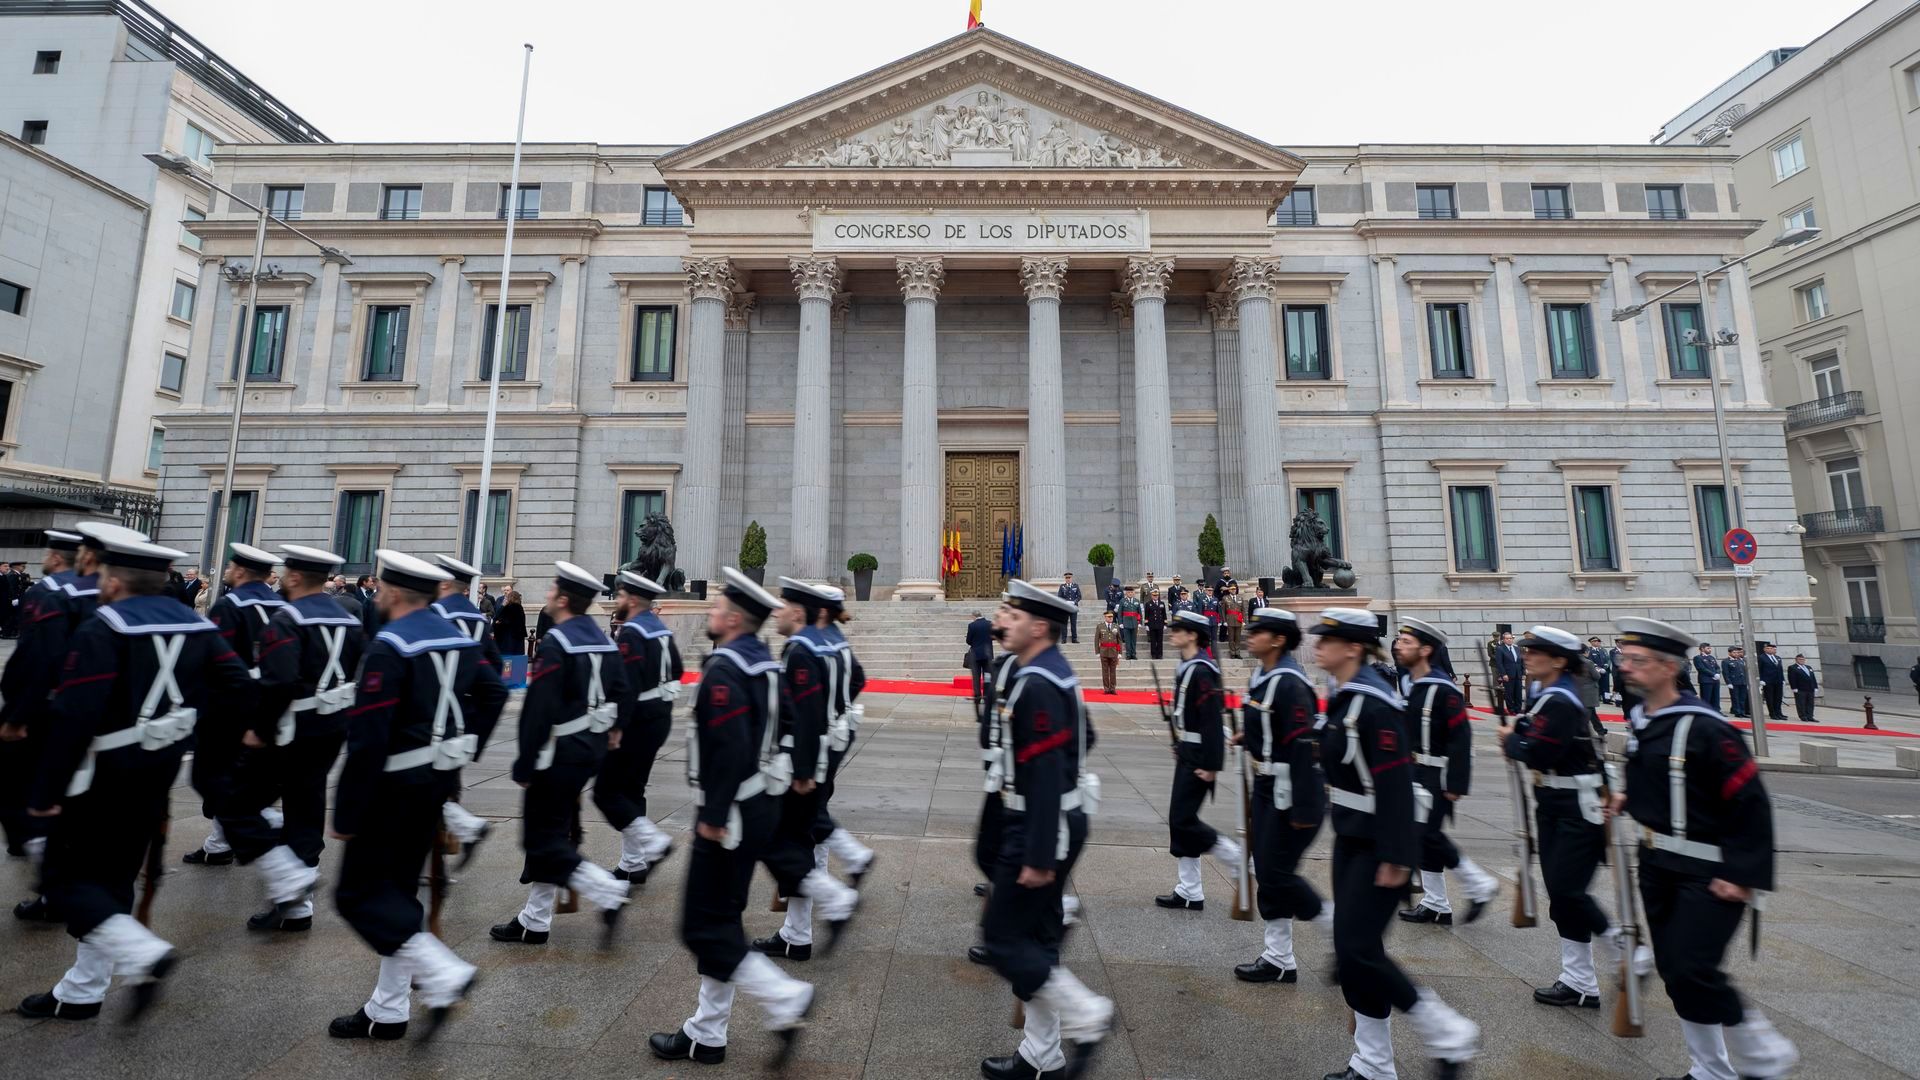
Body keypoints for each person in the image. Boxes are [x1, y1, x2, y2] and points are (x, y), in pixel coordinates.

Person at [17, 524, 256, 1022]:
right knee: (117, 874)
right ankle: (83, 988)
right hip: (160, 765)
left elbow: (75, 716)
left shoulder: (103, 625)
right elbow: (237, 686)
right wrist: (194, 733)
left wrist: (44, 793)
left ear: (112, 580)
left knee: (63, 878)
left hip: (102, 771)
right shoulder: (197, 625)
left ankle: (140, 952)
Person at [328, 549, 507, 1041]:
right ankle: (388, 1009)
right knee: (398, 894)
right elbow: (493, 694)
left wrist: (346, 811)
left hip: (391, 789)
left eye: (382, 588)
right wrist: (463, 745)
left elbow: (367, 740)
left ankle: (442, 973)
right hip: (434, 784)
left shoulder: (389, 645)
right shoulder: (456, 638)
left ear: (391, 593)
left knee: (356, 895)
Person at [1610, 616, 1798, 1080]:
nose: (1626, 668)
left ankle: (1762, 1051)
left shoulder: (1708, 729)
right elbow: (1670, 782)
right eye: (1624, 659)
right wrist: (1629, 797)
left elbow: (1749, 802)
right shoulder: (1645, 721)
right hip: (1658, 863)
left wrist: (1741, 873)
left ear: (1669, 667)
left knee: (1695, 969)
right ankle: (1710, 1069)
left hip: (1708, 871)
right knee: (1677, 975)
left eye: (1638, 661)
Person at [649, 568, 814, 1069]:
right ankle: (707, 1032)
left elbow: (728, 746)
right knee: (721, 919)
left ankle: (784, 998)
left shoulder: (726, 669)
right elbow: (791, 726)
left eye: (718, 606)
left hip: (731, 813)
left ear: (735, 619)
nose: (712, 612)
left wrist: (716, 814)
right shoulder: (763, 663)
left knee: (703, 928)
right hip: (759, 804)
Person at [1314, 608, 1479, 1080]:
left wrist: (1397, 856)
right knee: (1352, 955)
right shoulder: (1349, 696)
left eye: (1329, 640)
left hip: (1378, 845)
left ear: (1352, 648)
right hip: (1351, 838)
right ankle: (1373, 1065)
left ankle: (1446, 1030)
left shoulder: (1373, 702)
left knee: (1361, 951)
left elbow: (1393, 785)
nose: (1319, 647)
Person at [978, 580, 1112, 1080]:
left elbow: (1043, 771)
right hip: (1055, 817)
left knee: (1002, 938)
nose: (1001, 621)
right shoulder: (1054, 674)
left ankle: (1088, 1016)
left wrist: (1036, 854)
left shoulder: (1037, 683)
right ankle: (1042, 1054)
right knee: (1034, 939)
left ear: (1038, 626)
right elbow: (1087, 736)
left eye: (1011, 614)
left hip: (1040, 824)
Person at [490, 562, 631, 947]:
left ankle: (606, 890)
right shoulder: (602, 638)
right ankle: (535, 919)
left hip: (558, 753)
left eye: (553, 589)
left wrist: (525, 760)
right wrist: (614, 732)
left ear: (564, 599)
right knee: (552, 833)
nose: (549, 593)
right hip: (590, 750)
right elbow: (623, 691)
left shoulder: (559, 642)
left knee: (541, 841)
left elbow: (539, 708)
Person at [1498, 626, 1630, 1012]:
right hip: (1555, 802)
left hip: (1576, 806)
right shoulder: (1546, 695)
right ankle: (1579, 981)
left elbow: (1540, 753)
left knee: (1571, 891)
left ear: (1558, 660)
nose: (1526, 655)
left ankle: (1624, 950)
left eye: (1535, 651)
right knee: (1561, 896)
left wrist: (1511, 741)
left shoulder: (1561, 700)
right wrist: (1520, 731)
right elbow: (1536, 732)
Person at [243, 544, 366, 933]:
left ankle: (289, 882)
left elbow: (278, 680)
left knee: (240, 802)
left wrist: (260, 729)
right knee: (306, 804)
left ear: (294, 577)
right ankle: (299, 907)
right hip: (331, 726)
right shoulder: (348, 618)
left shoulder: (287, 619)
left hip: (292, 728)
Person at [751, 578, 862, 962]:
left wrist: (801, 772)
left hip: (805, 762)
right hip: (824, 753)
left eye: (782, 605)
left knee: (779, 840)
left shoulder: (800, 650)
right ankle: (796, 934)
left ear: (798, 612)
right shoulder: (832, 644)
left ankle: (834, 900)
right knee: (807, 839)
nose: (777, 611)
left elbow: (805, 713)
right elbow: (857, 681)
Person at [1231, 608, 1325, 983]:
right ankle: (1279, 957)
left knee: (1277, 872)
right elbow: (1272, 728)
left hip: (1290, 791)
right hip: (1268, 786)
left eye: (1259, 631)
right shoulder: (1265, 677)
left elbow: (1303, 744)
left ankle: (1334, 926)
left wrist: (1302, 806)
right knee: (1267, 871)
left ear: (1279, 640)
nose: (1250, 636)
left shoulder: (1289, 683)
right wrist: (1247, 738)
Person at [186, 543, 286, 872]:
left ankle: (263, 827)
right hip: (271, 700)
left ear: (241, 572)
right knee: (238, 777)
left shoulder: (230, 605)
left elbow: (215, 660)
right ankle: (218, 844)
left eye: (229, 567)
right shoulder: (282, 603)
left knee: (214, 777)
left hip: (232, 705)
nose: (226, 571)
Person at [1392, 618, 1497, 928]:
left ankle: (1479, 884)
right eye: (1399, 640)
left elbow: (1461, 738)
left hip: (1437, 775)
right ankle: (1436, 903)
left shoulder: (1442, 688)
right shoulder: (1415, 684)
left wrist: (1455, 783)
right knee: (1424, 839)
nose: (1399, 646)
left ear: (1425, 650)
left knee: (1427, 835)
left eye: (1406, 643)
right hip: (1416, 771)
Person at [1, 530, 84, 874]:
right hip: (89, 706)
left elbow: (37, 657)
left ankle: (41, 856)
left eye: (50, 552)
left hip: (46, 705)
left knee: (12, 782)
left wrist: (17, 715)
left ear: (56, 557)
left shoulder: (47, 593)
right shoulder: (104, 591)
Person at [596, 571, 682, 884]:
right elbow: (678, 669)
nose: (617, 600)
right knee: (632, 789)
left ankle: (652, 843)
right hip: (658, 717)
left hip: (637, 721)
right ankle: (633, 863)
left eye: (620, 596)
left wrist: (616, 727)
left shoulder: (632, 632)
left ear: (632, 600)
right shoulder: (659, 628)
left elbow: (626, 685)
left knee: (606, 791)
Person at [1156, 610, 1242, 910]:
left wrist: (1212, 764)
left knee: (1182, 819)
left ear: (1193, 635)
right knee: (1180, 821)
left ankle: (1236, 858)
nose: (1172, 633)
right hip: (1189, 752)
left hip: (1201, 758)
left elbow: (1210, 721)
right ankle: (1190, 890)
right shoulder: (1189, 666)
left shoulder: (1203, 670)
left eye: (1177, 629)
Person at [430, 555, 506, 864]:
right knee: (449, 778)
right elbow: (495, 666)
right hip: (464, 707)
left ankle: (450, 835)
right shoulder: (477, 619)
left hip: (433, 707)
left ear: (446, 584)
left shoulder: (433, 614)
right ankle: (451, 836)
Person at [967, 610, 994, 704]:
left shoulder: (972, 625)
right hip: (988, 654)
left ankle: (977, 696)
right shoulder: (989, 624)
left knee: (976, 676)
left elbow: (968, 641)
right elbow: (993, 637)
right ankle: (986, 696)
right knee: (987, 676)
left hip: (976, 655)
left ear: (974, 616)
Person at [1493, 631, 1524, 714]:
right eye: (1507, 639)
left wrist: (1523, 672)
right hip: (1508, 675)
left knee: (1518, 693)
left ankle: (1518, 708)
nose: (1509, 640)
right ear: (1504, 640)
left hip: (1518, 674)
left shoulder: (1516, 648)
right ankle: (1511, 709)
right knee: (1509, 694)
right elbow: (1499, 663)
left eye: (1510, 638)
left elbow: (1521, 661)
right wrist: (1503, 674)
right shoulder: (1500, 649)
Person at [1755, 641, 1786, 721]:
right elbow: (1759, 669)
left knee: (1778, 697)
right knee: (1770, 698)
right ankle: (1772, 713)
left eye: (1771, 648)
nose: (1770, 650)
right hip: (1768, 681)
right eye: (1768, 648)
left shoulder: (1777, 658)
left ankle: (1779, 712)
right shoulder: (1761, 657)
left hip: (1778, 680)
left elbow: (1780, 669)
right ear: (1764, 649)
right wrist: (1761, 679)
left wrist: (1782, 679)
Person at [1093, 611, 1122, 694]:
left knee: (1113, 671)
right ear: (1105, 617)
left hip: (1113, 651)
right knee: (1105, 671)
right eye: (1109, 617)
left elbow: (1119, 640)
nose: (1110, 618)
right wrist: (1097, 652)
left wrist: (1120, 652)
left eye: (1111, 617)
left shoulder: (1116, 626)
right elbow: (1096, 640)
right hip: (1104, 651)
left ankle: (1112, 688)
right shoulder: (1100, 626)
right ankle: (1106, 688)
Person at [495, 589, 527, 656]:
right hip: (518, 637)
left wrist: (499, 622)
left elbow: (498, 617)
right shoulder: (520, 607)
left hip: (508, 637)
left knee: (508, 659)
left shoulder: (509, 607)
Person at [1788, 654, 1818, 722]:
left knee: (1810, 703)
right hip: (1800, 688)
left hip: (1810, 688)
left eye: (1803, 659)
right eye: (1800, 659)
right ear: (1796, 660)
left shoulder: (1808, 667)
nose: (1802, 661)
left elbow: (1813, 677)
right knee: (1801, 703)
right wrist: (1794, 687)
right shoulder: (1792, 667)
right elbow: (1792, 678)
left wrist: (1815, 686)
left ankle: (1810, 716)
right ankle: (1803, 716)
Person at [1723, 646, 1750, 719]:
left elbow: (1744, 672)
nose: (1736, 654)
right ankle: (1737, 712)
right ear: (1729, 653)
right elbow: (1726, 673)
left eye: (1737, 652)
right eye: (1734, 652)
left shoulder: (1740, 661)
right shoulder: (1726, 661)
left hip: (1742, 682)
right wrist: (1728, 683)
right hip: (1734, 682)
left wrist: (1746, 682)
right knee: (1735, 698)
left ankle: (1742, 712)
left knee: (1742, 698)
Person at [1694, 644, 1722, 713]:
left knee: (1716, 697)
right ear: (1702, 649)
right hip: (1706, 680)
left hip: (1715, 680)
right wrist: (1713, 674)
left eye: (1710, 648)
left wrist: (1717, 673)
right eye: (1708, 648)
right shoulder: (1698, 658)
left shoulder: (1711, 657)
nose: (1710, 650)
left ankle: (1716, 711)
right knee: (1706, 698)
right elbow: (1701, 668)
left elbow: (1717, 667)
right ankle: (1706, 711)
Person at [1116, 585, 1142, 660]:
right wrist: (1120, 623)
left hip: (1134, 623)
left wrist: (1140, 622)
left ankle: (1133, 654)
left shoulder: (1136, 601)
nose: (1130, 593)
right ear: (1126, 593)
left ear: (1134, 593)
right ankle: (1128, 654)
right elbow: (1120, 613)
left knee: (1133, 640)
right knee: (1127, 640)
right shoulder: (1122, 601)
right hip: (1126, 623)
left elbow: (1139, 613)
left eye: (1132, 592)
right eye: (1129, 592)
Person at [1586, 636, 1613, 705]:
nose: (1597, 643)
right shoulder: (1589, 651)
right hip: (1596, 671)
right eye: (1595, 641)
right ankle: (1597, 698)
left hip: (1605, 671)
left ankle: (1606, 699)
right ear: (1591, 642)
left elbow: (1608, 660)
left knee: (1606, 686)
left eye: (1598, 641)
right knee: (1596, 685)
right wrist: (1598, 669)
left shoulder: (1603, 650)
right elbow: (1590, 660)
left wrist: (1605, 667)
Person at [1220, 585, 1244, 660]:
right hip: (1230, 620)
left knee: (1238, 638)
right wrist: (1224, 621)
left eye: (1235, 589)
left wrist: (1243, 620)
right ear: (1229, 590)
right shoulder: (1225, 598)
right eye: (1232, 589)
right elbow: (1223, 611)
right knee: (1231, 638)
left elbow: (1243, 610)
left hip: (1238, 620)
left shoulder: (1240, 598)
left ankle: (1237, 653)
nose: (1234, 590)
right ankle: (1232, 653)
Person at [1056, 573, 1081, 644]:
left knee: (1073, 623)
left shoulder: (1076, 586)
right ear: (1065, 579)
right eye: (1066, 578)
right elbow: (1059, 596)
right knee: (1064, 623)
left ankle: (1074, 638)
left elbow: (1079, 596)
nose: (1068, 579)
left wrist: (1074, 602)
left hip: (1073, 607)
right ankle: (1064, 638)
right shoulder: (1062, 586)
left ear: (1071, 578)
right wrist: (1065, 602)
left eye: (1069, 578)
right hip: (1065, 608)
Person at [1143, 587, 1168, 660]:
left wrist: (1165, 624)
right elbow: (1146, 615)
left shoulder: (1162, 603)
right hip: (1152, 625)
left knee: (1160, 641)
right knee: (1153, 641)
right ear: (1151, 596)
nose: (1155, 597)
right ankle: (1153, 654)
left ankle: (1160, 654)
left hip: (1160, 624)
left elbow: (1164, 614)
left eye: (1156, 595)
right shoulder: (1148, 604)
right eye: (1154, 595)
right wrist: (1146, 625)